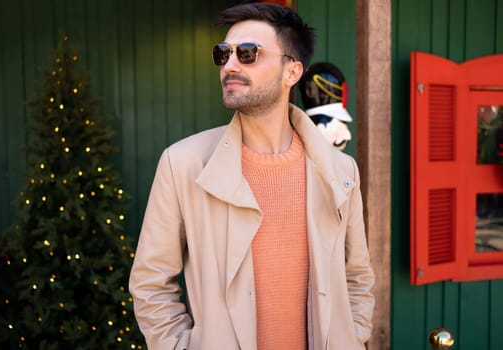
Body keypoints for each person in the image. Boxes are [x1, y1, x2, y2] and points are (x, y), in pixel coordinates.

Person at [129, 3, 374, 349]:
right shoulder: (182, 164)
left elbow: (358, 277)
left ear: (292, 72)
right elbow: (151, 283)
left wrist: (353, 336)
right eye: (223, 54)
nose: (229, 65)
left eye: (247, 54)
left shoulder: (340, 171)